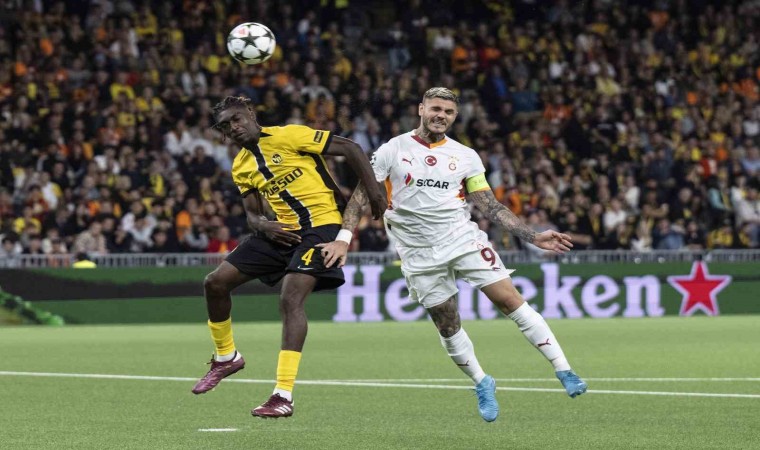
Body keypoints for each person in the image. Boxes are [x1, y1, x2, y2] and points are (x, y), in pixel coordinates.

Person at [318, 87, 587, 422]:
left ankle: (564, 370)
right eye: (435, 109)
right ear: (421, 109)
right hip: (417, 251)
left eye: (448, 112)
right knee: (447, 324)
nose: (441, 116)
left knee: (509, 300)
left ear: (455, 116)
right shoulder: (392, 149)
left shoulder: (465, 156)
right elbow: (360, 197)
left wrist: (532, 236)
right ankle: (482, 381)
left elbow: (489, 205)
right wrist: (343, 239)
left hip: (461, 239)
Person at [191, 96, 385, 418]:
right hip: (281, 232)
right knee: (215, 282)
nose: (233, 128)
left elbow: (350, 148)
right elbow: (252, 216)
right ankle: (226, 357)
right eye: (225, 126)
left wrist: (374, 190)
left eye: (237, 119)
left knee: (290, 298)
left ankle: (282, 395)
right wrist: (263, 225)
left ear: (250, 114)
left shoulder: (289, 135)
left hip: (321, 225)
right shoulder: (241, 166)